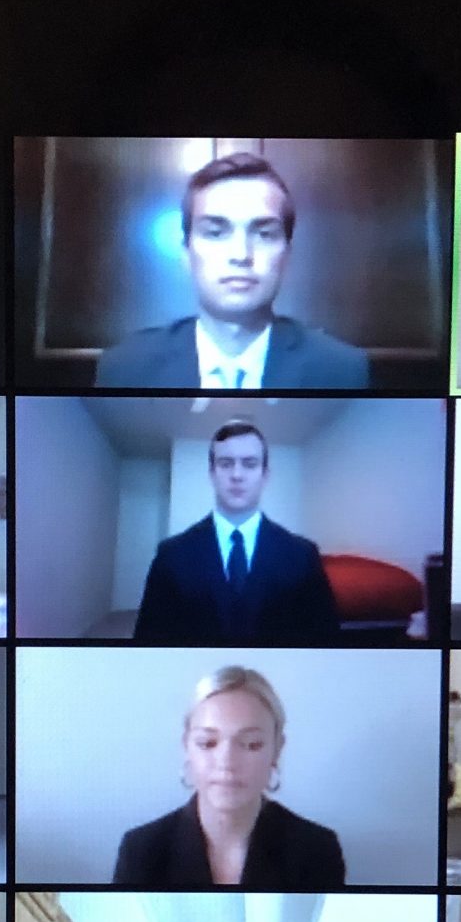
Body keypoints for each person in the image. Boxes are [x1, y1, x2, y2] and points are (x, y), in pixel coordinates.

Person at [93, 153, 369, 390]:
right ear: (186, 253)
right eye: (215, 233)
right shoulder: (125, 368)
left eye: (264, 234)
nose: (240, 255)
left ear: (286, 255)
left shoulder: (341, 371)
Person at [111, 667, 345, 889]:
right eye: (208, 743)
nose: (227, 762)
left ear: (277, 749)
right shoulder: (140, 851)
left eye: (251, 744)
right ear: (187, 747)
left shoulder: (317, 849)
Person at [132, 421, 341, 644]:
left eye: (250, 464)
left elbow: (327, 644)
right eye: (225, 464)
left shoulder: (303, 555)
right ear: (212, 474)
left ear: (265, 475)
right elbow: (148, 643)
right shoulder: (171, 555)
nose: (237, 475)